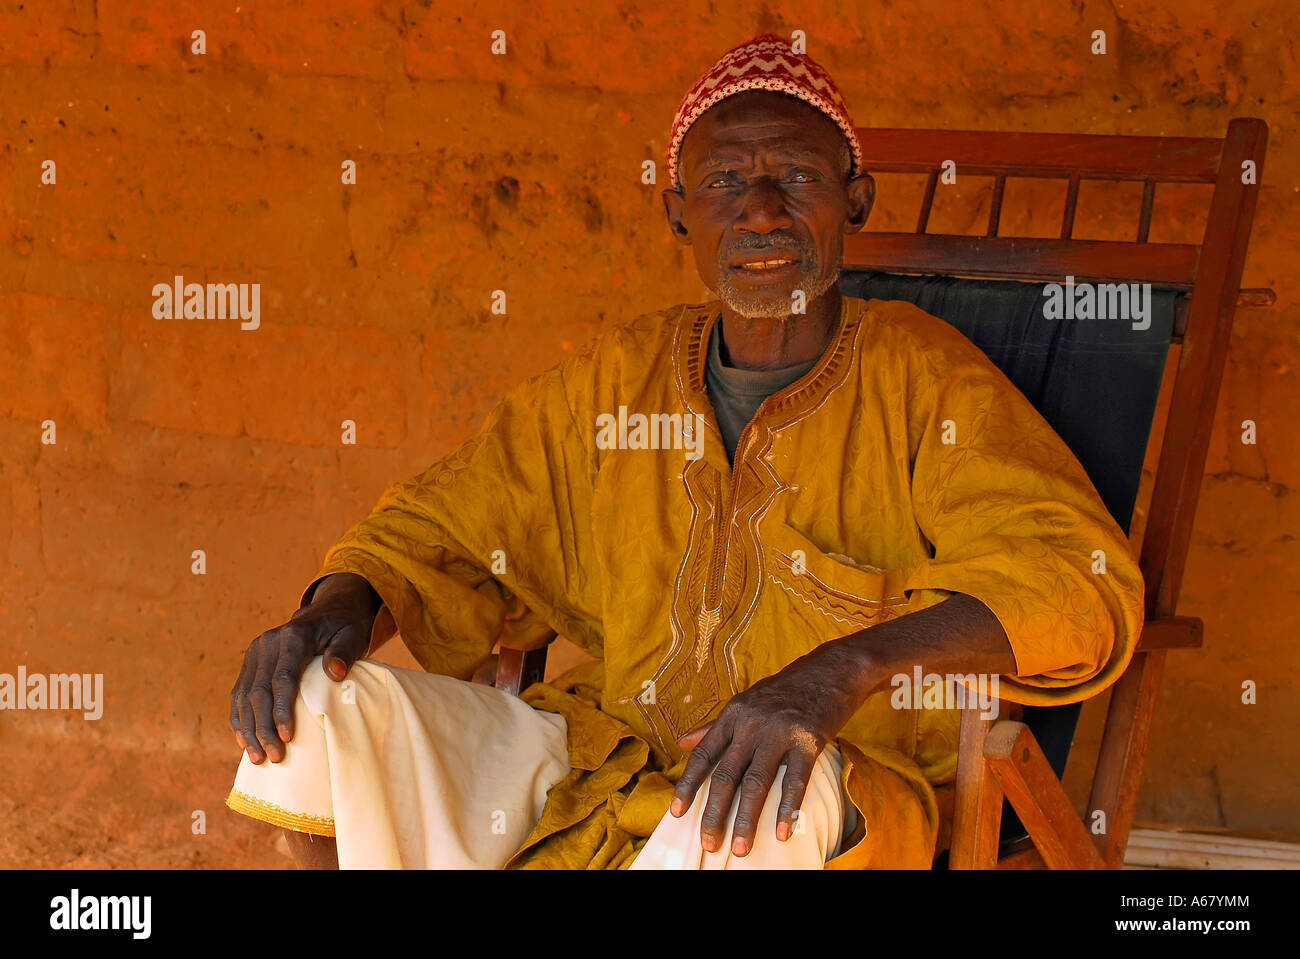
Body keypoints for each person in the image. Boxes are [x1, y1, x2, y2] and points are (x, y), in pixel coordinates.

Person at [226, 32, 1145, 869]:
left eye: (797, 177)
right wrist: (332, 609)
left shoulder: (925, 381)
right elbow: (444, 522)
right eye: (721, 183)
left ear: (854, 199)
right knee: (314, 704)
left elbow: (1082, 577)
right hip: (606, 751)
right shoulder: (620, 374)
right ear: (677, 214)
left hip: (831, 784)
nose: (759, 212)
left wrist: (841, 671)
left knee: (751, 812)